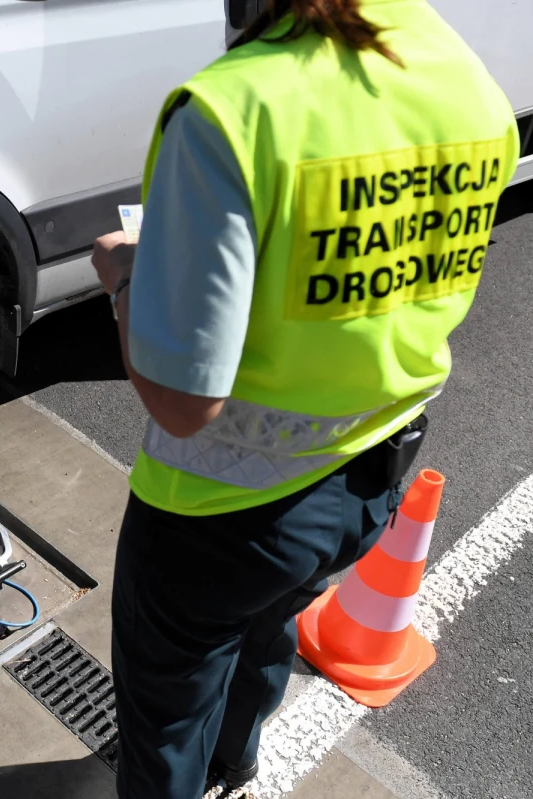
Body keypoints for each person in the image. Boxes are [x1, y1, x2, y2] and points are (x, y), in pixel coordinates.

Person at [90, 1, 520, 797]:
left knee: (167, 713)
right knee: (268, 624)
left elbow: (184, 401)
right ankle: (239, 760)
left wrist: (124, 277)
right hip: (372, 479)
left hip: (218, 512)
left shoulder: (235, 108)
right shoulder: (461, 73)